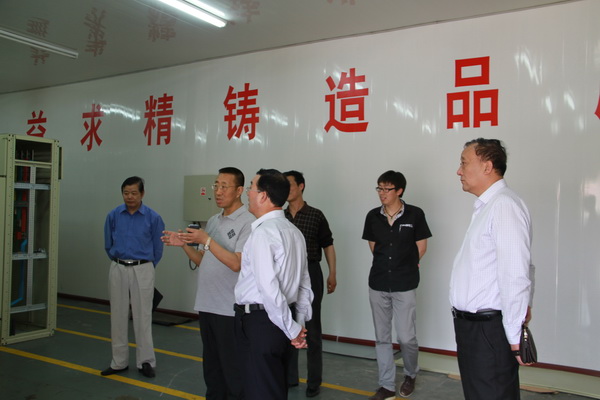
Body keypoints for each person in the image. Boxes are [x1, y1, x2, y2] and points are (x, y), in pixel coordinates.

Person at [450, 138, 534, 400]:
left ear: (487, 167)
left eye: (464, 163)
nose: (459, 171)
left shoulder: (504, 206)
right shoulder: (489, 206)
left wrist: (514, 336)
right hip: (475, 329)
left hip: (489, 332)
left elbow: (515, 273)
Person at [162, 167, 255, 400]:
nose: (218, 191)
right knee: (212, 369)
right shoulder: (213, 220)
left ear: (239, 191)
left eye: (224, 186)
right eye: (216, 186)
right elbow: (203, 260)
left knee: (233, 370)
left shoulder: (248, 222)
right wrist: (184, 245)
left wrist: (206, 239)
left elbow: (236, 263)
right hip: (207, 305)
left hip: (230, 309)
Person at [234, 168, 314, 400]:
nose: (248, 192)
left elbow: (269, 290)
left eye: (251, 187)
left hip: (262, 323)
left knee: (259, 390)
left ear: (263, 196)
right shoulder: (294, 232)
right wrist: (297, 324)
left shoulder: (263, 234)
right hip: (282, 321)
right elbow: (304, 284)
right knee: (274, 388)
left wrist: (293, 330)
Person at [362, 170, 431, 400]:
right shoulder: (373, 216)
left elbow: (421, 247)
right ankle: (387, 386)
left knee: (406, 337)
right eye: (379, 188)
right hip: (378, 282)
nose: (382, 193)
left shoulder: (415, 214)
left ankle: (411, 374)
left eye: (387, 189)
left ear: (399, 190)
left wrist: (406, 266)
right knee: (382, 338)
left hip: (405, 283)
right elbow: (374, 247)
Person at [102, 176, 165, 378]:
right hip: (118, 267)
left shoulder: (153, 218)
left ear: (142, 194)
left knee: (143, 316)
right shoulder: (113, 215)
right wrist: (118, 261)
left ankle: (145, 361)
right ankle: (118, 361)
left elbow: (158, 248)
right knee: (117, 315)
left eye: (134, 193)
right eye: (126, 193)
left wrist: (147, 267)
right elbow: (108, 244)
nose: (130, 197)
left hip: (143, 268)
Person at [283, 170, 337, 398]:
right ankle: (289, 377)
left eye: (290, 185)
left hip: (311, 272)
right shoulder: (280, 216)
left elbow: (328, 245)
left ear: (301, 186)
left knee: (312, 328)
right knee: (287, 324)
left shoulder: (315, 215)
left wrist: (332, 273)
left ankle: (314, 381)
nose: (286, 190)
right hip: (286, 275)